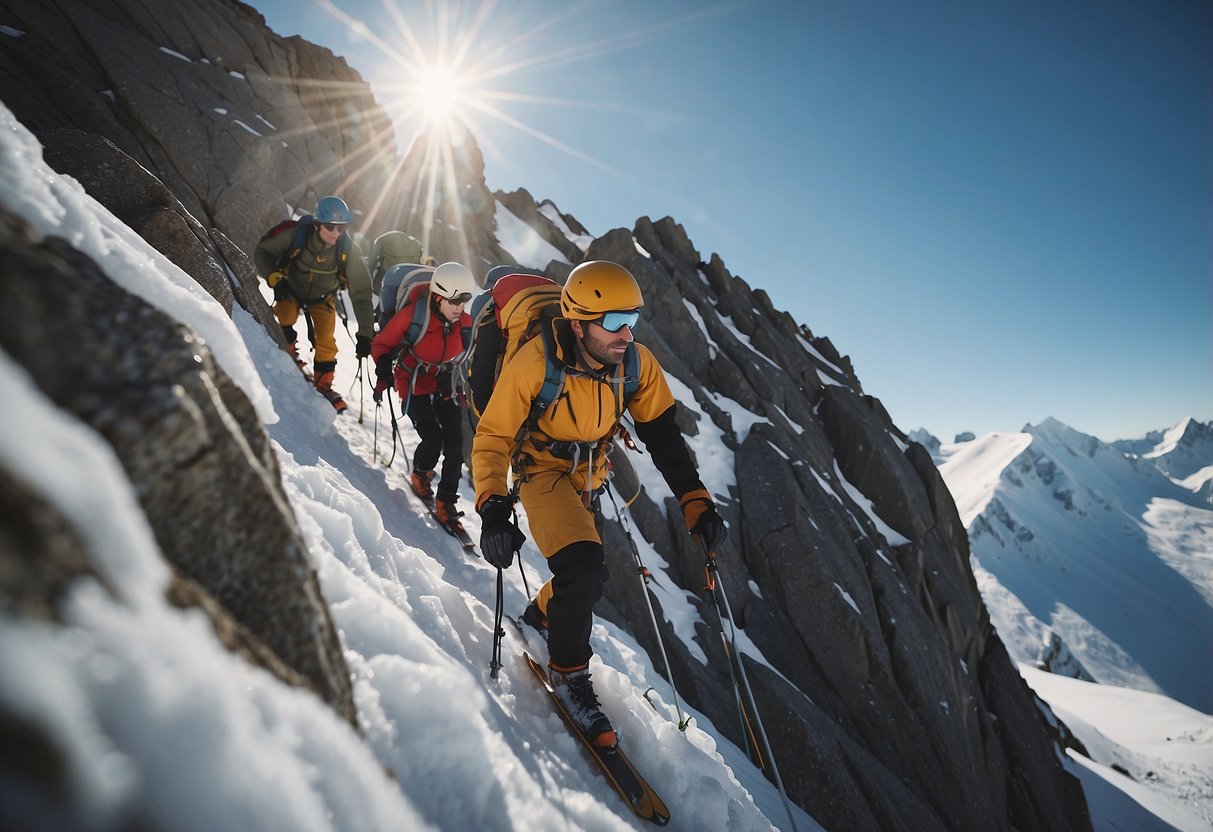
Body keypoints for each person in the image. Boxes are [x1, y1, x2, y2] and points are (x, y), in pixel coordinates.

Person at [471, 260, 728, 747]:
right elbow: (494, 435)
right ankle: (569, 675)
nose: (625, 333)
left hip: (590, 469)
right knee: (584, 565)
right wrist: (492, 505)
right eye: (611, 321)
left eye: (630, 318)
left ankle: (541, 616)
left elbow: (663, 436)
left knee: (589, 574)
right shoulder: (535, 360)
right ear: (578, 322)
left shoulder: (635, 364)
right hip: (541, 467)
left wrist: (695, 499)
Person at [372, 262, 477, 529]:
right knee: (433, 439)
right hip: (413, 376)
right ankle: (420, 473)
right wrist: (384, 372)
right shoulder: (413, 316)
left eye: (464, 300)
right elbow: (382, 343)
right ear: (438, 296)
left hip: (444, 381)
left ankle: (446, 502)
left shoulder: (464, 323)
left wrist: (464, 388)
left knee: (455, 445)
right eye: (454, 301)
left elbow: (466, 358)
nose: (459, 307)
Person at [254, 195, 375, 413]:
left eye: (341, 228)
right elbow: (263, 252)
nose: (336, 233)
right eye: (330, 227)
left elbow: (362, 294)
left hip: (323, 297)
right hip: (289, 288)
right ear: (317, 224)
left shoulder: (347, 250)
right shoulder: (297, 236)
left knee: (327, 340)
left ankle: (324, 385)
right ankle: (287, 350)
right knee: (285, 315)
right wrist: (275, 279)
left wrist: (366, 335)